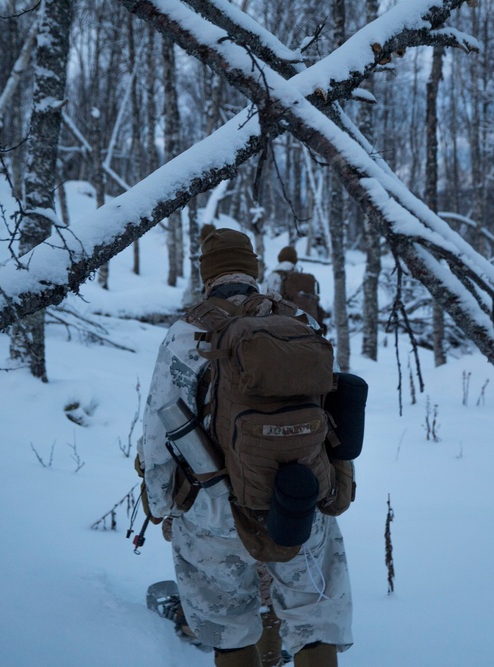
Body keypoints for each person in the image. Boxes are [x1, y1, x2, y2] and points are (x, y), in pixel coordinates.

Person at [137, 229, 352, 667]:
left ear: (206, 275)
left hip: (211, 505)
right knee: (315, 623)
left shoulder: (184, 335)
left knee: (230, 632)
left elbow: (158, 433)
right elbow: (330, 412)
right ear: (254, 271)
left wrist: (160, 506)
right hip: (298, 497)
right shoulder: (299, 322)